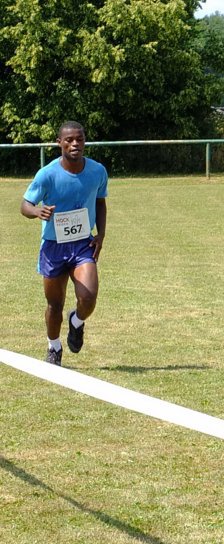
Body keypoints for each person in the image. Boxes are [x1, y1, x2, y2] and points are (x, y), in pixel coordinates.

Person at [20, 121, 108, 367]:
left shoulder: (97, 171)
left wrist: (101, 234)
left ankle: (77, 322)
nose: (75, 144)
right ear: (59, 143)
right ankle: (54, 346)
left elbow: (100, 202)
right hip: (53, 246)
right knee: (54, 304)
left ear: (84, 141)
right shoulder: (47, 174)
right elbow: (24, 205)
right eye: (69, 140)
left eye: (79, 139)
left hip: (82, 244)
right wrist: (37, 211)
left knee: (88, 297)